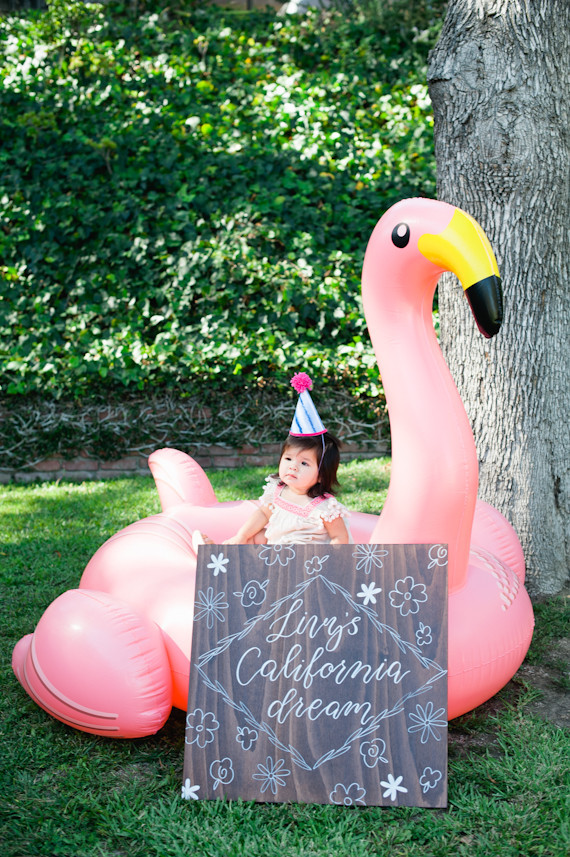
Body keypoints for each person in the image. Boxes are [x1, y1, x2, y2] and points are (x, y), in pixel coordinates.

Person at [193, 372, 352, 548]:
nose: (293, 466)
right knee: (256, 537)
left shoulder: (323, 507)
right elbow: (262, 514)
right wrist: (242, 536)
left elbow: (339, 538)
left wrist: (329, 561)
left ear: (322, 474)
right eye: (289, 458)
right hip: (276, 549)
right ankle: (221, 551)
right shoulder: (277, 491)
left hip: (306, 560)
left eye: (304, 463)